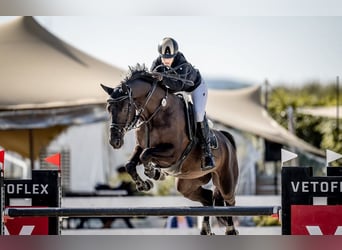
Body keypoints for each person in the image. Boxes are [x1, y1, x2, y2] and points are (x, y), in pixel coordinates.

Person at [150, 37, 215, 171]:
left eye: (169, 57)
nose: (166, 60)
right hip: (175, 92)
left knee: (197, 113)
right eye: (163, 57)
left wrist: (163, 78)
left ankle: (207, 151)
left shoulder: (182, 64)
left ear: (175, 55)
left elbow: (179, 85)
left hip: (195, 88)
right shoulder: (156, 63)